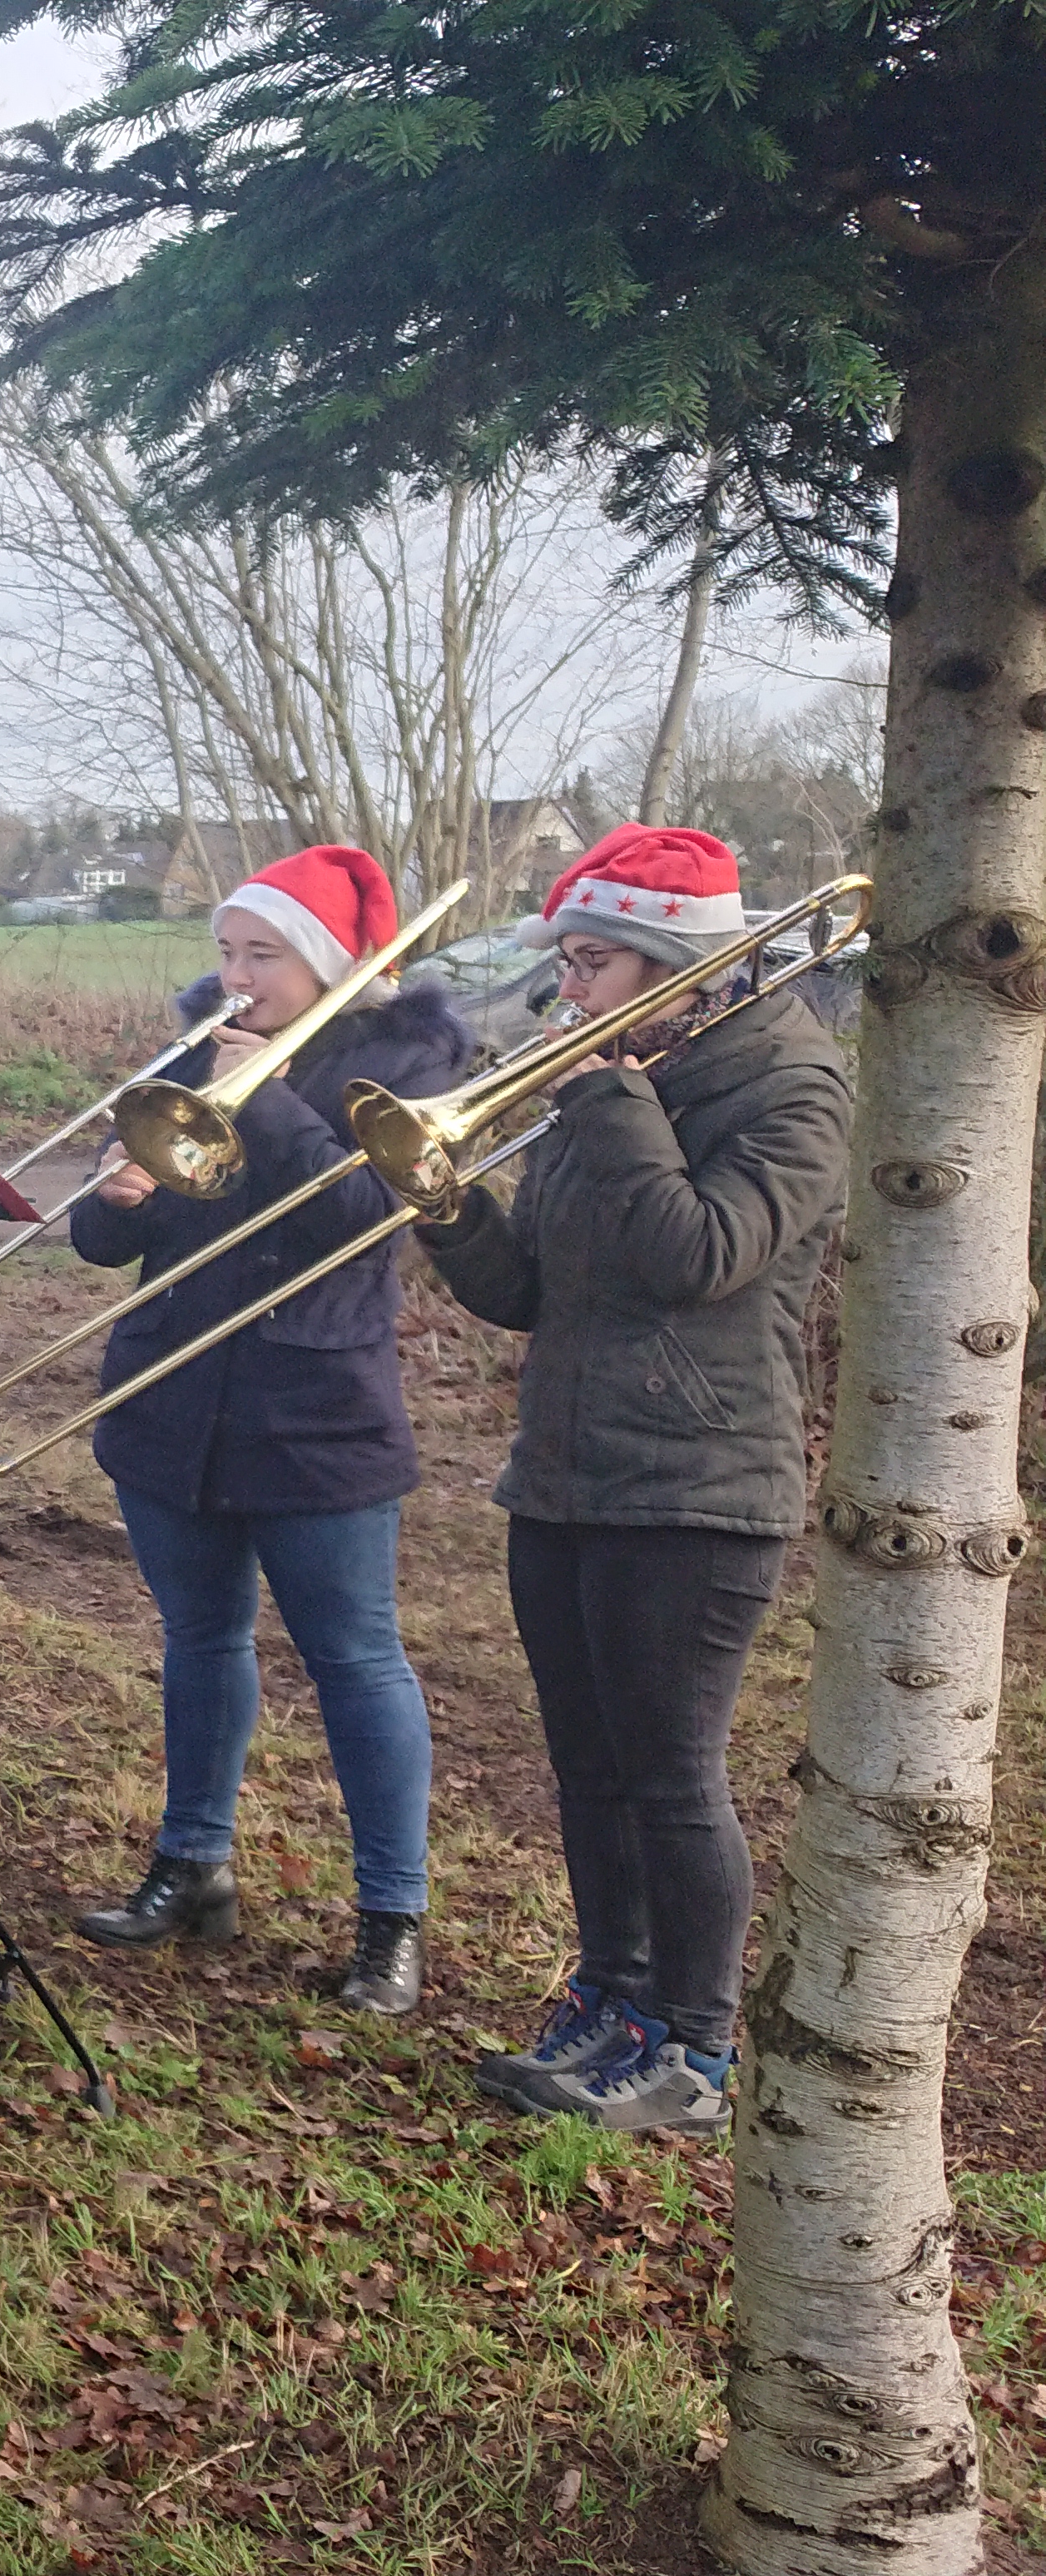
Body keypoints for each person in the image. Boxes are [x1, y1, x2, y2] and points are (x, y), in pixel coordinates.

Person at [415, 826, 849, 2132]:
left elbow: (697, 1256)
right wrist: (443, 1207)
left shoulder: (792, 1085)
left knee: (670, 1771)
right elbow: (527, 1292)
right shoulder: (608, 1079)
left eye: (591, 964)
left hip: (702, 1488)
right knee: (587, 1765)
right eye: (568, 965)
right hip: (563, 1473)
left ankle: (694, 2052)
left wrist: (605, 1097)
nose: (567, 994)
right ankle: (610, 2000)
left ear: (672, 967)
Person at [64, 841, 471, 2014]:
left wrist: (278, 1097)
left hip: (317, 1410)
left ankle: (392, 1918)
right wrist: (113, 1201)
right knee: (199, 1639)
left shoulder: (410, 1061)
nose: (236, 975)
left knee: (355, 1661)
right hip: (171, 1396)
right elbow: (113, 1249)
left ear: (332, 964)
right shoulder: (194, 1047)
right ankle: (192, 1864)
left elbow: (362, 1214)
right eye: (226, 952)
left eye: (264, 955)